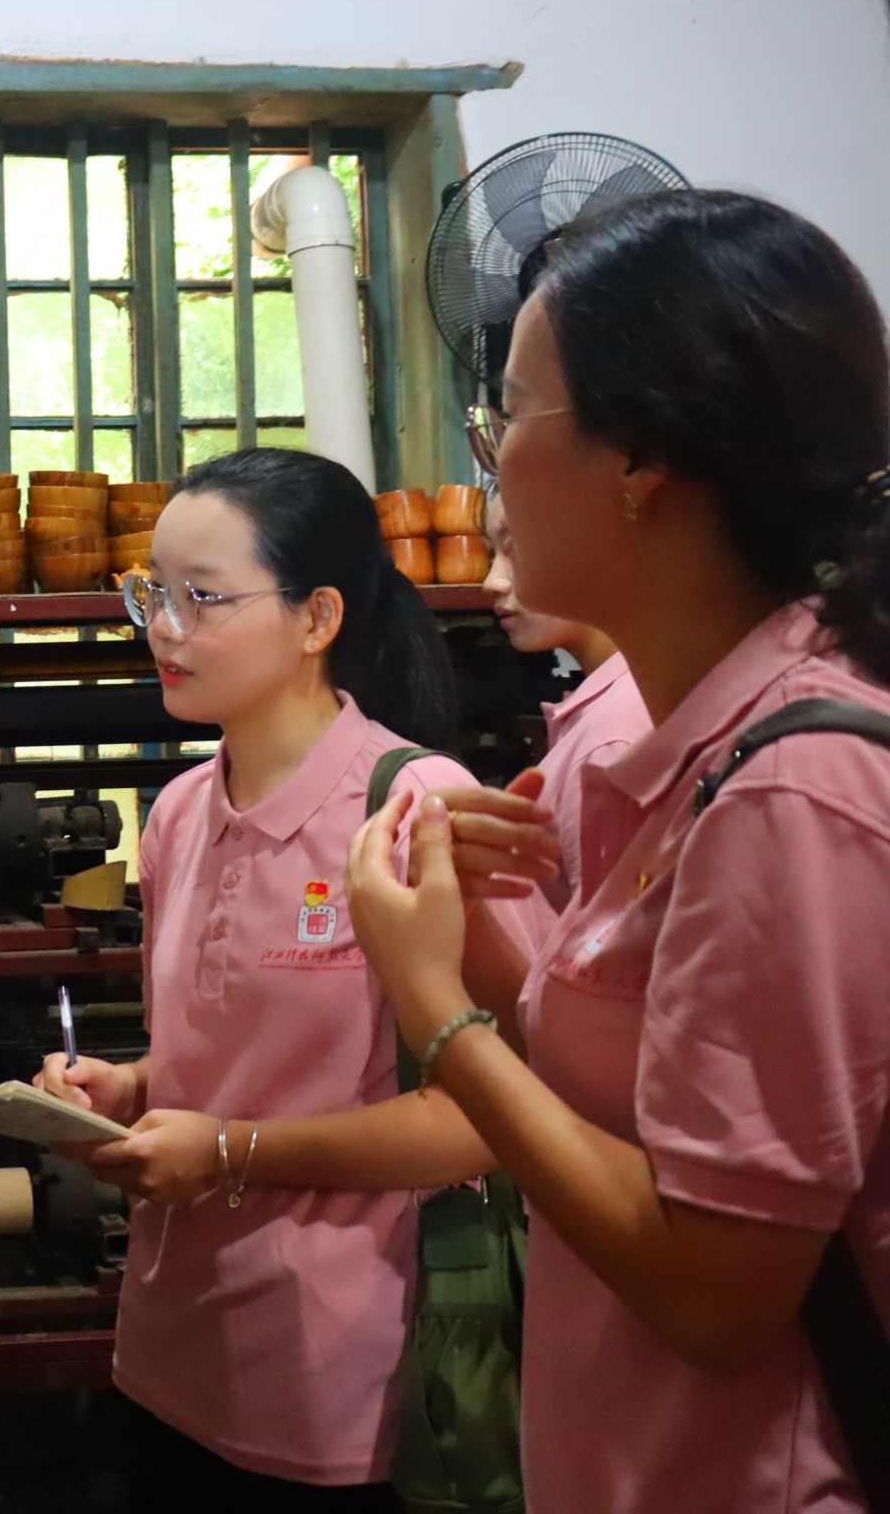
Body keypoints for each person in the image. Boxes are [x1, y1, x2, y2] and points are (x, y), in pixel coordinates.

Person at [347, 189, 890, 1514]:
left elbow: (714, 1291)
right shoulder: (682, 743)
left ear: (641, 460)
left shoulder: (795, 785)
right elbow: (626, 1111)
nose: (488, 471)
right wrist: (472, 933)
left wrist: (433, 1008)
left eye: (511, 417)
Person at [34, 448, 537, 1508]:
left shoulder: (413, 809)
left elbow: (492, 1116)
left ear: (318, 619)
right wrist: (128, 1088)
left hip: (346, 1375)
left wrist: (229, 1149)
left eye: (202, 599)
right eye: (151, 594)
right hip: (174, 1349)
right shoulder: (179, 813)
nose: (164, 629)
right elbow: (218, 1056)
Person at [473, 486, 649, 915]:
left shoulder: (613, 739)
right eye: (492, 554)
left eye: (514, 549)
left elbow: (611, 948)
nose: (492, 581)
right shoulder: (621, 705)